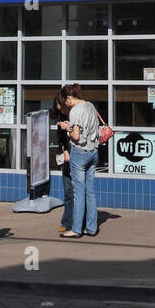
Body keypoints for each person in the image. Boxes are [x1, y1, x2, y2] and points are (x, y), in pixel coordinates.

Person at [56, 83, 101, 238]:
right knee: (91, 191)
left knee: (79, 192)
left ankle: (76, 229)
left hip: (80, 153)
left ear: (69, 98)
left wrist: (65, 127)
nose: (64, 105)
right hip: (93, 152)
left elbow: (75, 136)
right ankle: (92, 228)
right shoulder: (90, 106)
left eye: (64, 102)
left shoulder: (75, 111)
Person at [52, 93, 74, 235]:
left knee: (78, 192)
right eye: (58, 109)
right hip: (65, 158)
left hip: (78, 156)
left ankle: (77, 222)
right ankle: (66, 222)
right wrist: (64, 150)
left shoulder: (77, 115)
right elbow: (60, 139)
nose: (60, 110)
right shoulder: (61, 119)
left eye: (62, 107)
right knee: (68, 191)